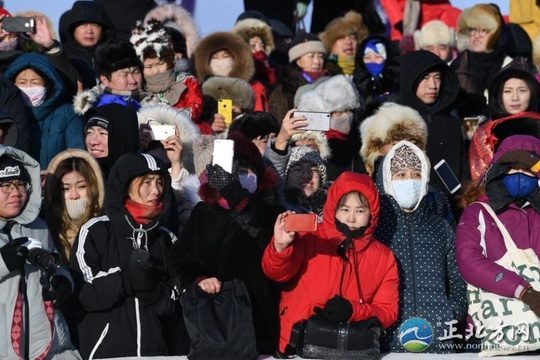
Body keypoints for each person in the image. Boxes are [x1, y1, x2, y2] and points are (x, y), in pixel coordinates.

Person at [262, 171, 399, 355]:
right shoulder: (310, 238)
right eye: (344, 209)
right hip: (298, 347)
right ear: (333, 208)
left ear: (372, 213)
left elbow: (388, 311)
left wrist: (353, 311)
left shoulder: (384, 257)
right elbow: (275, 273)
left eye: (360, 210)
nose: (351, 218)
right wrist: (280, 246)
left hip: (351, 351)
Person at [169, 131, 281, 355]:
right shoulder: (202, 212)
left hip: (254, 327)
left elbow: (269, 242)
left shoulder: (270, 212)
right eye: (230, 173)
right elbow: (179, 255)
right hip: (206, 324)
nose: (235, 179)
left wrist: (239, 199)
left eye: (243, 172)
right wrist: (198, 277)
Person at [70, 152, 179, 359]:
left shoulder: (166, 238)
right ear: (125, 186)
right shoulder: (95, 231)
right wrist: (125, 281)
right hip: (105, 352)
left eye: (159, 182)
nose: (156, 190)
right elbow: (84, 293)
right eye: (146, 182)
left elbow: (177, 298)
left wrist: (153, 293)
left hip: (157, 353)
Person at [375, 141, 467, 352]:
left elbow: (458, 278)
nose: (410, 181)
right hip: (388, 345)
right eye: (401, 175)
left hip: (439, 341)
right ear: (387, 180)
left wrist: (450, 314)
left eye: (416, 174)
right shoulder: (377, 228)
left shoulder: (440, 227)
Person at [456, 134, 540, 354]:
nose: (520, 175)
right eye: (513, 168)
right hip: (493, 331)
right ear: (499, 171)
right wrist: (523, 291)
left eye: (528, 169)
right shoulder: (478, 212)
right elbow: (468, 260)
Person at [0, 145, 81, 359]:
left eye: (20, 184)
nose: (16, 193)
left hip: (51, 347)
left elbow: (56, 267)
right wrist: (3, 261)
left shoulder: (38, 226)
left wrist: (64, 282)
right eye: (6, 186)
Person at [398, 50, 469, 199]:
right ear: (410, 79)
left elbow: (464, 170)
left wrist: (465, 199)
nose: (433, 85)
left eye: (437, 78)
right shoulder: (396, 122)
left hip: (452, 209)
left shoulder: (451, 122)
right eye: (425, 78)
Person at [5, 53, 85, 169]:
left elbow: (78, 153)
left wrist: (55, 174)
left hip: (56, 183)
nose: (29, 88)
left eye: (35, 83)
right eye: (22, 83)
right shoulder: (5, 115)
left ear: (47, 86)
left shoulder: (67, 113)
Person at [469, 56, 540, 181]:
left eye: (522, 90)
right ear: (498, 95)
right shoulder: (485, 133)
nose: (515, 98)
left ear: (532, 93)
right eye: (507, 91)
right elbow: (480, 176)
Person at [130, 19, 204, 126]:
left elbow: (195, 110)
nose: (156, 71)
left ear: (169, 61)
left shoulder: (187, 81)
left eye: (160, 64)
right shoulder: (138, 86)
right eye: (149, 66)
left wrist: (166, 117)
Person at [296, 75, 365, 180]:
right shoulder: (313, 143)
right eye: (339, 112)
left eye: (349, 110)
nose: (345, 116)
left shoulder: (359, 142)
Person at [43, 149, 105, 264]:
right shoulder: (46, 232)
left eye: (81, 187)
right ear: (55, 192)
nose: (74, 196)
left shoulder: (107, 228)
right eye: (65, 189)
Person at [192, 31, 267, 112]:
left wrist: (241, 114)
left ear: (236, 59)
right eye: (215, 57)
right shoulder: (198, 91)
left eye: (225, 56)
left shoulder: (254, 88)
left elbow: (259, 116)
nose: (220, 61)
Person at [268, 32, 327, 122]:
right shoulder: (285, 89)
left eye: (321, 56)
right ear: (298, 60)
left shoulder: (331, 83)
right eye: (311, 56)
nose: (317, 62)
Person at [73, 41, 143, 116]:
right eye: (124, 75)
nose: (133, 81)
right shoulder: (102, 109)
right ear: (105, 80)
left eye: (136, 72)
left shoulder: (150, 97)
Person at [59, 0, 114, 89]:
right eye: (83, 24)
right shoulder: (60, 56)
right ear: (73, 28)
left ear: (103, 29)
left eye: (95, 25)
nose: (89, 31)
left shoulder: (115, 55)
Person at [83, 103, 141, 179]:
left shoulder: (143, 178)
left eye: (102, 133)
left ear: (122, 138)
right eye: (89, 133)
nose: (93, 142)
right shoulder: (81, 177)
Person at [352, 35, 400, 117]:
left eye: (378, 57)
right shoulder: (356, 86)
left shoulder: (399, 84)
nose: (372, 61)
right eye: (367, 57)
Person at [318, 10, 368, 77]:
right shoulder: (322, 71)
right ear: (330, 43)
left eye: (353, 37)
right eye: (341, 38)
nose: (349, 42)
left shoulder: (367, 72)